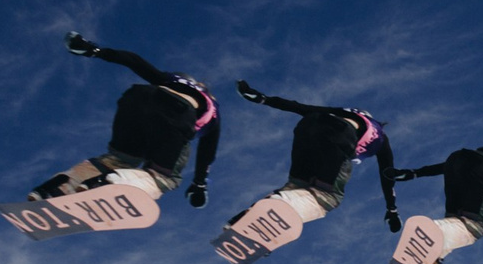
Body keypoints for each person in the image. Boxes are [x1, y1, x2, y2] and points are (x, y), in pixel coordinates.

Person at [39, 33, 221, 207]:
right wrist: (199, 185)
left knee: (117, 159)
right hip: (177, 112)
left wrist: (95, 51)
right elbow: (207, 153)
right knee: (163, 177)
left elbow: (135, 61)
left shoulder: (170, 79)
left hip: (138, 98)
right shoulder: (212, 109)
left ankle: (56, 187)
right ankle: (112, 183)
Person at [230, 82, 400, 230]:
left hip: (308, 127)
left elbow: (301, 108)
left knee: (296, 186)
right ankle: (279, 209)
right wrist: (392, 210)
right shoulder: (381, 138)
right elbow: (387, 176)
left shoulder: (344, 112)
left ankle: (244, 220)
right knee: (328, 196)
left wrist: (263, 99)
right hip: (337, 137)